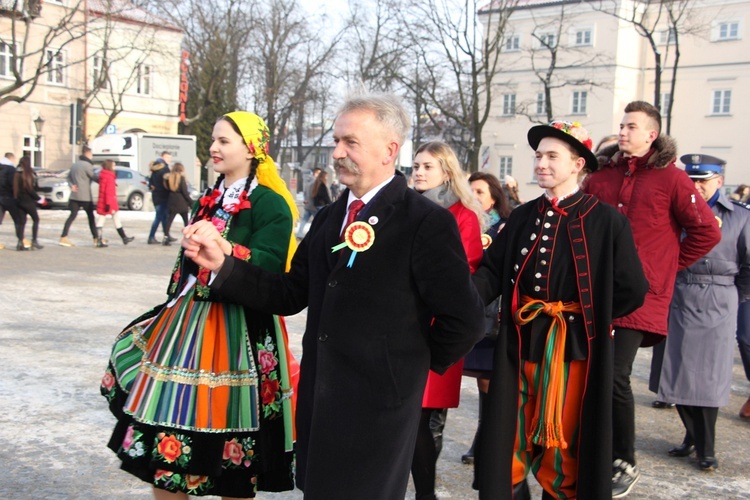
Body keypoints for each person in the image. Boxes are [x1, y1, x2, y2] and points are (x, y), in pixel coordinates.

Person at [182, 93, 485, 499]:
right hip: (322, 405)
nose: (337, 152)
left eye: (350, 142)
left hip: (380, 410)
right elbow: (289, 292)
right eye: (336, 141)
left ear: (389, 150)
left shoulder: (424, 222)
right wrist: (223, 264)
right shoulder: (329, 218)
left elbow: (464, 319)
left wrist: (405, 371)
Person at [101, 111, 299, 498]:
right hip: (188, 325)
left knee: (236, 448)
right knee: (168, 440)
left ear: (252, 148)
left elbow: (272, 267)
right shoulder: (207, 198)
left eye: (224, 141)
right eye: (213, 139)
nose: (214, 147)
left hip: (241, 330)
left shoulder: (271, 204)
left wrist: (226, 249)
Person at [473, 120, 649, 500]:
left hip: (572, 354)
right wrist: (458, 301)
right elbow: (490, 271)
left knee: (563, 453)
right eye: (538, 156)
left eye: (552, 156)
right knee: (509, 444)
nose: (541, 164)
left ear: (578, 164)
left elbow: (633, 288)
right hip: (518, 347)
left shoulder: (607, 222)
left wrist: (589, 314)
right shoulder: (521, 217)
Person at [582, 100, 721, 498]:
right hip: (593, 290)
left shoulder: (672, 179)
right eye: (621, 125)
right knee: (591, 371)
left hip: (640, 297)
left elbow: (707, 232)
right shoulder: (601, 177)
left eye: (631, 126)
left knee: (615, 375)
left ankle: (623, 460)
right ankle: (592, 446)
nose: (623, 131)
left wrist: (666, 267)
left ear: (651, 135)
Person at [653, 154, 750, 472]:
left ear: (719, 181)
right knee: (676, 372)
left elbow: (748, 265)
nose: (696, 187)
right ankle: (692, 436)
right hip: (678, 294)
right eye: (691, 181)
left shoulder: (738, 216)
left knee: (707, 379)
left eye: (703, 181)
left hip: (717, 299)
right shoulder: (675, 211)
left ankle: (706, 448)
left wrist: (736, 297)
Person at [409, 141, 484, 500]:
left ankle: (426, 492)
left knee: (423, 417)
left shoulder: (463, 215)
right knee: (407, 416)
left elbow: (464, 271)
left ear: (447, 172)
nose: (419, 172)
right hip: (405, 323)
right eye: (416, 166)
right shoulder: (406, 208)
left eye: (428, 166)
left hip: (438, 326)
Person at [461, 171, 512, 465]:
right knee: (482, 381)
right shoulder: (465, 224)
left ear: (494, 197)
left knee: (492, 381)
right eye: (471, 191)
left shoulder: (503, 227)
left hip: (496, 314)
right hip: (475, 312)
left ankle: (487, 442)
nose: (474, 197)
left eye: (480, 192)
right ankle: (483, 439)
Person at [59, 146, 99, 247]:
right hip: (85, 196)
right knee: (91, 217)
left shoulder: (74, 165)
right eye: (91, 154)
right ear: (88, 154)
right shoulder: (87, 165)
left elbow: (68, 177)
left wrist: (71, 186)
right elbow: (94, 177)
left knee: (72, 216)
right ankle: (96, 238)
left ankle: (63, 237)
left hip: (74, 196)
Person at [94, 160, 134, 247]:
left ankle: (124, 238)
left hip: (105, 201)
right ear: (109, 166)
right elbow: (108, 191)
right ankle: (99, 240)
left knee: (113, 218)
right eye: (113, 165)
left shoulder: (104, 175)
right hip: (108, 202)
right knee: (103, 219)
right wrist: (108, 204)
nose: (114, 167)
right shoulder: (109, 177)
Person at [13, 155, 45, 251]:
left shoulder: (17, 174)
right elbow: (31, 190)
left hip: (19, 201)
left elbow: (15, 189)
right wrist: (39, 199)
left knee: (22, 222)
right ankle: (34, 241)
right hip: (29, 202)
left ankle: (20, 242)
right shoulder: (28, 174)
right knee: (36, 219)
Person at [163, 162, 194, 246]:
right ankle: (188, 237)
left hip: (172, 202)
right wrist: (191, 202)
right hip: (181, 203)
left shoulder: (168, 178)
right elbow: (185, 192)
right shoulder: (181, 178)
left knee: (169, 221)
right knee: (186, 221)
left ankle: (165, 236)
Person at [147, 151, 172, 245]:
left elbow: (150, 181)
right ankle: (151, 236)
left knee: (164, 217)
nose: (169, 160)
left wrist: (152, 187)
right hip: (163, 196)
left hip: (156, 196)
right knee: (159, 217)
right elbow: (167, 183)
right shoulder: (164, 168)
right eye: (168, 158)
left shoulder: (155, 168)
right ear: (163, 157)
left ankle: (167, 235)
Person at [0, 152, 22, 250]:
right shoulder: (11, 169)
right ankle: (20, 241)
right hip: (9, 197)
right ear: (11, 159)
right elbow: (13, 184)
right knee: (17, 219)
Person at [295, 166, 321, 239]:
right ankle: (315, 235)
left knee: (304, 220)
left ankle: (299, 233)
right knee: (318, 221)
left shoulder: (308, 181)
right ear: (315, 173)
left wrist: (306, 200)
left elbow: (305, 193)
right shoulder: (316, 182)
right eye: (319, 173)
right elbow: (315, 194)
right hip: (313, 205)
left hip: (308, 205)